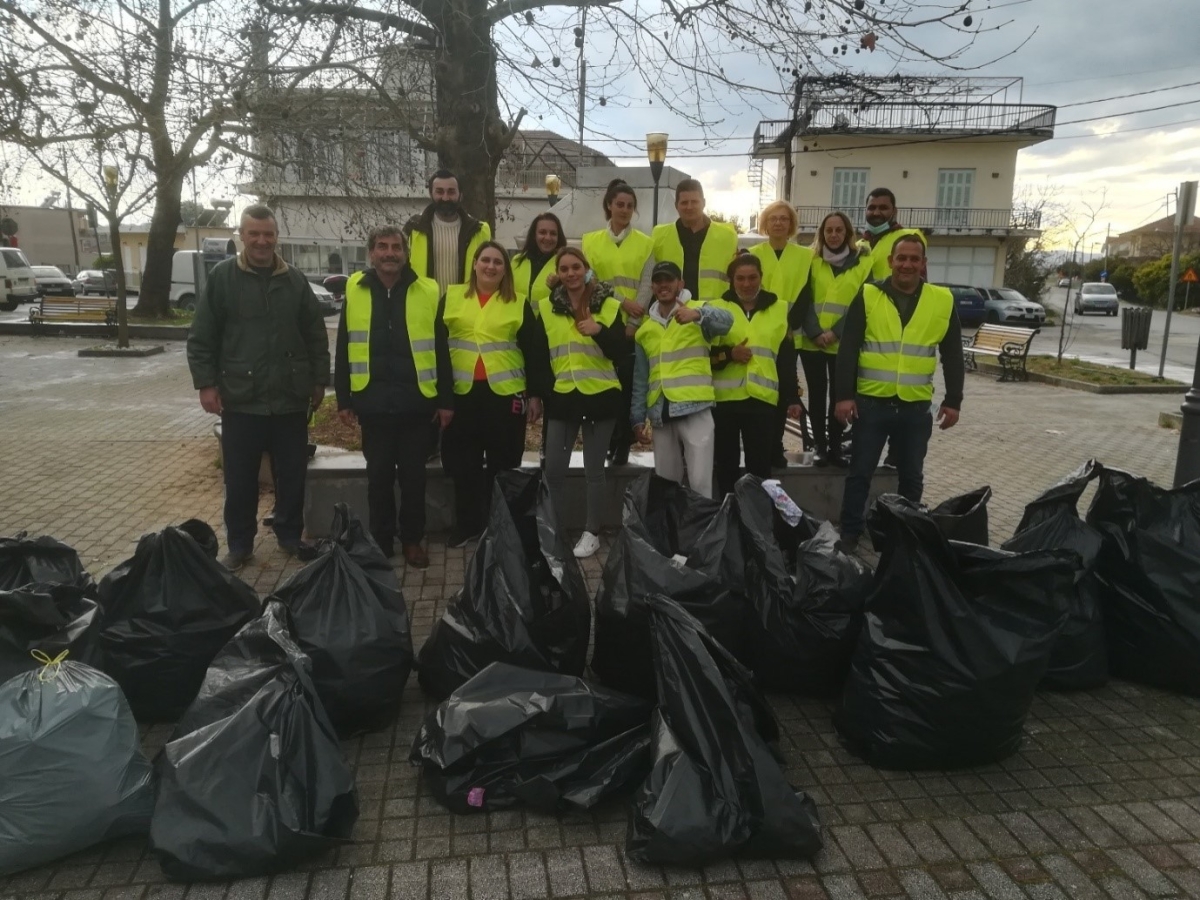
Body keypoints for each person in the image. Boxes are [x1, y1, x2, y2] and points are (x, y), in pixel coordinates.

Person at [187, 204, 330, 570]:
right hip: (242, 399)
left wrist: (318, 381)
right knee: (240, 479)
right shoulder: (222, 278)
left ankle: (288, 534)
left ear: (276, 236)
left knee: (292, 474)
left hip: (289, 398)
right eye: (254, 234)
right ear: (242, 236)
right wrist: (206, 384)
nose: (262, 241)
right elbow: (202, 336)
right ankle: (239, 543)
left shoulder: (294, 281)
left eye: (268, 234)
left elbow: (315, 335)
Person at [333, 225, 454, 569]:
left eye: (396, 247)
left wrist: (446, 401)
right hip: (372, 404)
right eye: (382, 247)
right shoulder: (355, 289)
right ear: (371, 253)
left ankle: (413, 540)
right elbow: (344, 345)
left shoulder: (427, 289)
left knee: (414, 479)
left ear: (406, 253)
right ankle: (381, 542)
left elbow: (440, 350)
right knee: (379, 478)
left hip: (417, 404)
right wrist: (344, 399)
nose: (389, 253)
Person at [834, 235, 964, 550]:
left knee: (911, 477)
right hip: (871, 403)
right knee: (859, 474)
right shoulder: (868, 295)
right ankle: (850, 534)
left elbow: (952, 354)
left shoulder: (942, 300)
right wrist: (843, 396)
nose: (907, 264)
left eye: (914, 259)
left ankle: (904, 536)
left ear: (923, 264)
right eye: (901, 258)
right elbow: (848, 348)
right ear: (891, 261)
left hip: (915, 406)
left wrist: (953, 400)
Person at [441, 242, 549, 547]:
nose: (491, 266)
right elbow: (439, 347)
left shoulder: (518, 302)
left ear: (505, 269)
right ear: (474, 264)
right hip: (462, 394)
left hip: (505, 395)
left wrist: (536, 396)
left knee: (504, 465)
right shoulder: (451, 297)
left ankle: (502, 526)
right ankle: (468, 525)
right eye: (485, 260)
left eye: (498, 262)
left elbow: (533, 350)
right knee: (465, 466)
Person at [533, 247, 626, 559]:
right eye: (564, 269)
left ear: (586, 269)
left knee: (593, 470)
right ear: (558, 274)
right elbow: (538, 353)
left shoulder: (610, 304)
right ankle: (555, 529)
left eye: (576, 267)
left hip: (601, 393)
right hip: (563, 395)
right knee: (555, 470)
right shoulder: (546, 307)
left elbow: (621, 352)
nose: (570, 273)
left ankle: (592, 532)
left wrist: (599, 331)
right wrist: (545, 390)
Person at [629, 261, 732, 499]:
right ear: (653, 286)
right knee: (666, 484)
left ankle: (701, 534)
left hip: (695, 409)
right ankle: (672, 533)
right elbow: (641, 378)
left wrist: (698, 315)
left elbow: (726, 322)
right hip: (661, 413)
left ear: (680, 284)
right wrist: (637, 417)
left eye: (669, 280)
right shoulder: (645, 329)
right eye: (658, 281)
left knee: (700, 483)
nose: (663, 285)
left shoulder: (697, 309)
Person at [709, 254, 800, 497]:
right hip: (725, 402)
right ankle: (729, 516)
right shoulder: (717, 309)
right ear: (731, 280)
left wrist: (792, 397)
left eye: (752, 277)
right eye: (740, 278)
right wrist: (730, 354)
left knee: (760, 469)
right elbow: (706, 357)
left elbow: (787, 359)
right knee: (726, 466)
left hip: (762, 402)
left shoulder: (779, 309)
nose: (746, 284)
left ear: (761, 277)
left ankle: (757, 521)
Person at [793, 211, 875, 467]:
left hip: (844, 343)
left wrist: (836, 332)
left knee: (841, 395)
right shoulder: (810, 260)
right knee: (817, 395)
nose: (834, 235)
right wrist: (816, 332)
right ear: (822, 233)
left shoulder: (863, 264)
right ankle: (820, 445)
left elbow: (862, 303)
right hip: (812, 342)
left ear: (848, 234)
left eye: (839, 230)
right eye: (829, 230)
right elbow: (803, 297)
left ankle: (837, 446)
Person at [582, 179, 655, 466]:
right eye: (619, 204)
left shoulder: (646, 243)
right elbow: (591, 280)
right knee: (603, 386)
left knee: (627, 387)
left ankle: (623, 442)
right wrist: (622, 302)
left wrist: (634, 322)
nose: (624, 209)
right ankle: (606, 440)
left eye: (629, 205)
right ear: (609, 206)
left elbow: (647, 284)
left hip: (631, 326)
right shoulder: (590, 241)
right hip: (603, 321)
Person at [750, 200, 814, 468]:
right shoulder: (752, 253)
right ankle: (759, 444)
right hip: (760, 334)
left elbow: (806, 294)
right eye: (773, 218)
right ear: (765, 223)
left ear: (791, 225)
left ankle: (776, 445)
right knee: (760, 392)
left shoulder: (805, 256)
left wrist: (790, 324)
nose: (778, 223)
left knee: (784, 392)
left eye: (784, 219)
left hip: (788, 335)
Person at [403, 169, 492, 294]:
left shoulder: (480, 230)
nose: (445, 198)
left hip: (464, 306)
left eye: (451, 192)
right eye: (439, 192)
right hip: (425, 306)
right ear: (431, 194)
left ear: (460, 194)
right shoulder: (413, 227)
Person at [652, 178, 739, 302]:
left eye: (694, 202)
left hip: (714, 314)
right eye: (684, 202)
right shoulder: (659, 236)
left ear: (703, 203)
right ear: (676, 205)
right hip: (672, 314)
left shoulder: (727, 236)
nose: (689, 207)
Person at [861, 188, 927, 280]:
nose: (876, 213)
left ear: (894, 211)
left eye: (883, 208)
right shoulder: (858, 245)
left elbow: (918, 280)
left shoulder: (909, 237)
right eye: (871, 208)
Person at [512, 213, 565, 312]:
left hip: (548, 325)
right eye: (542, 232)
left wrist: (560, 285)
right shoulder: (516, 261)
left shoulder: (565, 264)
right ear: (534, 235)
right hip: (517, 324)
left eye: (553, 233)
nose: (548, 237)